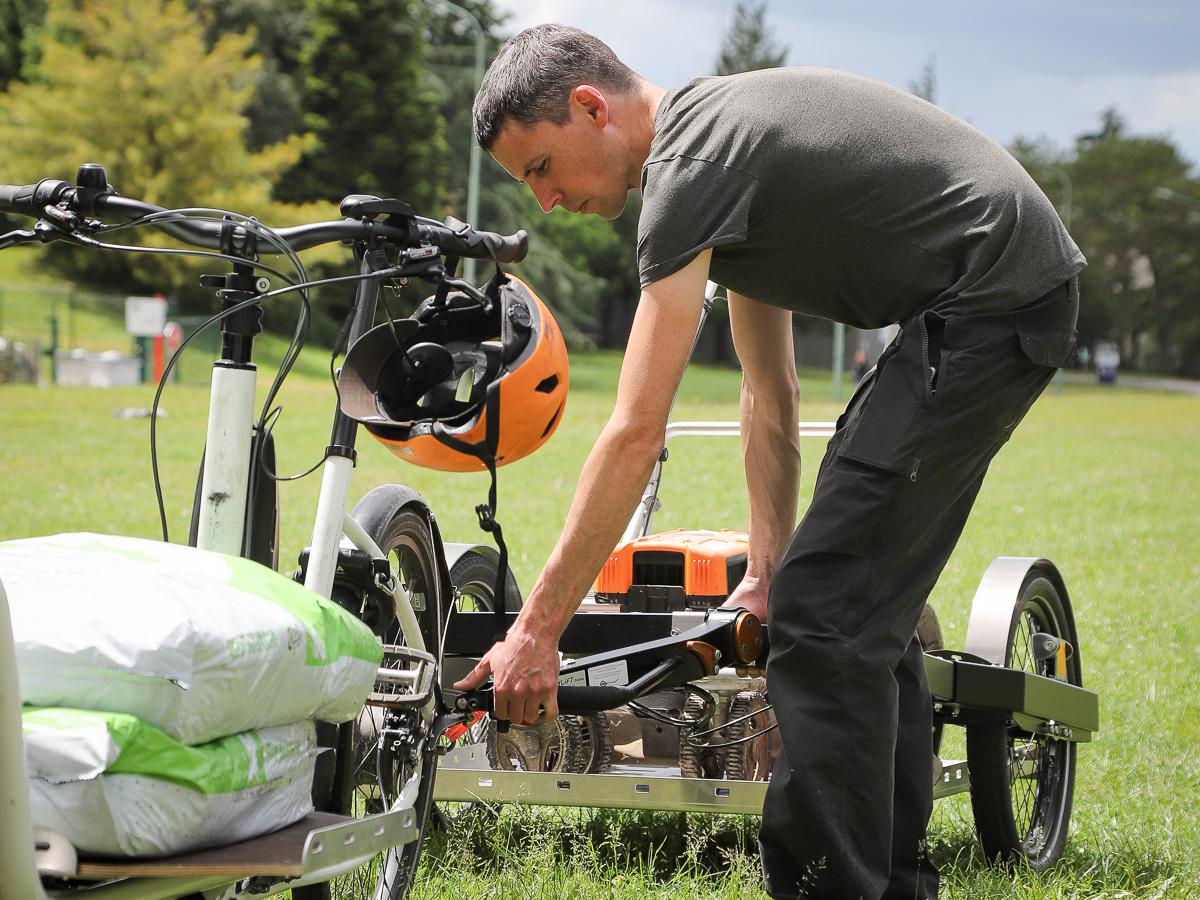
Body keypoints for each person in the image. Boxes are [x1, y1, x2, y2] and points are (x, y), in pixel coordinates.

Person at [454, 24, 1083, 900]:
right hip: (981, 301)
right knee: (847, 597)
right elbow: (769, 393)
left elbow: (638, 429)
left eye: (541, 169)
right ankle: (890, 878)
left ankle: (834, 886)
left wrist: (539, 627)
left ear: (590, 108)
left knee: (827, 612)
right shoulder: (721, 154)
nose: (546, 200)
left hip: (992, 300)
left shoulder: (691, 167)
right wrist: (765, 569)